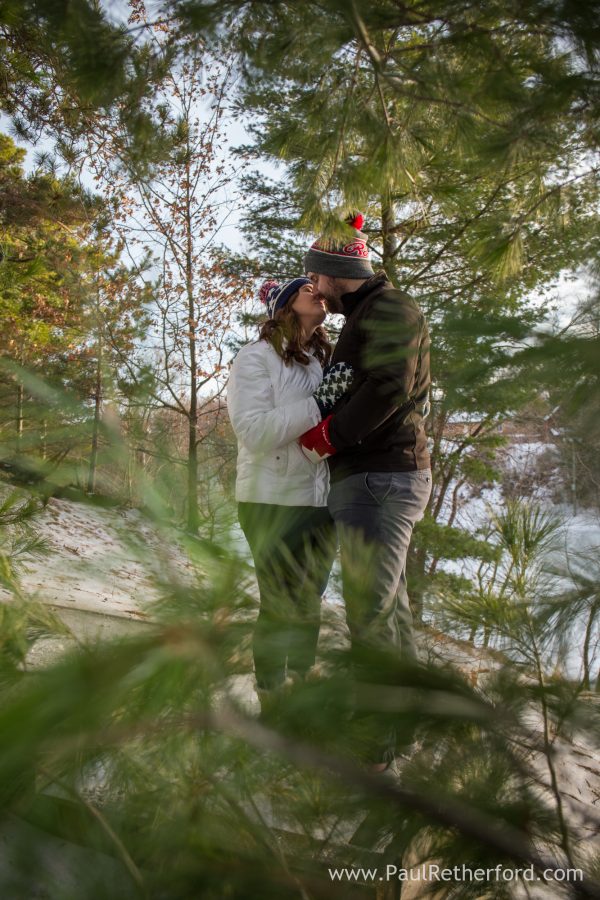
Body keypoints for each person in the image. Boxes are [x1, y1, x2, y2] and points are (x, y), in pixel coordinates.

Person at [299, 215, 432, 765]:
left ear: (335, 270)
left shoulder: (390, 308)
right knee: (390, 612)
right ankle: (404, 727)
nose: (313, 285)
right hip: (373, 476)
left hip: (381, 477)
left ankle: (374, 744)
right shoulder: (367, 313)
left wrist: (332, 435)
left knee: (369, 612)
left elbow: (390, 385)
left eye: (316, 274)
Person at [227, 277, 351, 714]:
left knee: (309, 603)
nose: (317, 292)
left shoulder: (323, 359)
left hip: (320, 500)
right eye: (304, 289)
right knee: (280, 605)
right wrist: (319, 405)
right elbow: (254, 431)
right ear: (284, 307)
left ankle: (300, 694)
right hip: (270, 500)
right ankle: (270, 698)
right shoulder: (256, 358)